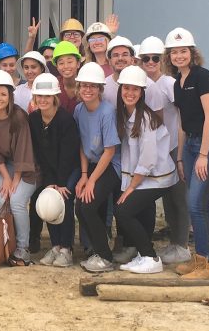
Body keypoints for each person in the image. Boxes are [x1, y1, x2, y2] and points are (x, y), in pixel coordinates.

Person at [167, 27, 209, 280]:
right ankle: (201, 259)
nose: (179, 55)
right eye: (174, 52)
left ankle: (206, 266)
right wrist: (181, 157)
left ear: (192, 53)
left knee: (196, 204)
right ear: (169, 56)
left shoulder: (203, 77)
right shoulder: (178, 83)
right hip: (192, 145)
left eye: (184, 51)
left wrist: (203, 154)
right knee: (197, 205)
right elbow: (182, 123)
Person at [113, 65, 178, 274]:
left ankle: (150, 257)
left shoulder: (146, 119)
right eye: (126, 88)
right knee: (133, 212)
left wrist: (131, 187)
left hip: (158, 177)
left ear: (142, 93)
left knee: (123, 212)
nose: (130, 93)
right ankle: (143, 255)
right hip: (143, 177)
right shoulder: (125, 114)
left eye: (135, 89)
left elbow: (148, 159)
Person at [137, 35, 191, 267]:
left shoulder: (169, 83)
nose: (150, 62)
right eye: (145, 58)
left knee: (177, 197)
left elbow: (183, 117)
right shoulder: (139, 83)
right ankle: (172, 243)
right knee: (160, 197)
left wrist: (180, 154)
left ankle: (182, 245)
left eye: (155, 58)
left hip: (172, 147)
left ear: (162, 60)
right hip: (153, 148)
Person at [0, 69, 37, 266]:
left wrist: (16, 179)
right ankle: (6, 247)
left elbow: (24, 149)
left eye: (3, 94)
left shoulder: (19, 117)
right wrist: (6, 177)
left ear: (10, 96)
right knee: (3, 198)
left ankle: (23, 248)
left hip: (27, 166)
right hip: (5, 165)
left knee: (18, 201)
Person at [28, 73, 80, 268]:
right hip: (49, 171)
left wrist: (60, 183)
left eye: (47, 96)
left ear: (54, 97)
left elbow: (68, 155)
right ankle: (56, 246)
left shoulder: (65, 120)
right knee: (46, 198)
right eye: (39, 96)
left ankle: (67, 248)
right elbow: (39, 153)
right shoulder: (33, 119)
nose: (43, 100)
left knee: (62, 198)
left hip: (70, 170)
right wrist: (49, 181)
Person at [74, 61, 120, 273]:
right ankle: (96, 250)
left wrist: (92, 181)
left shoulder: (107, 111)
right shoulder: (78, 110)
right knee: (80, 208)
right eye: (84, 85)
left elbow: (110, 150)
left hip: (110, 165)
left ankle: (106, 257)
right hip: (91, 164)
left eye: (93, 86)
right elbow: (82, 145)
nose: (88, 90)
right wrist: (84, 175)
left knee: (88, 205)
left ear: (100, 89)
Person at [51, 41, 82, 114]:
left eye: (70, 62)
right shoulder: (53, 84)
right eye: (61, 63)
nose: (66, 66)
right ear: (57, 67)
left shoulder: (86, 85)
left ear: (78, 64)